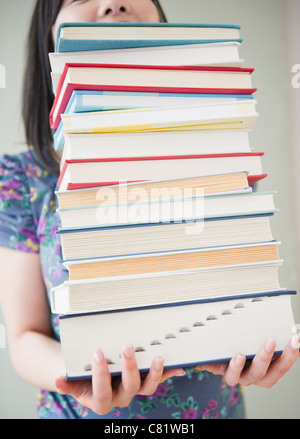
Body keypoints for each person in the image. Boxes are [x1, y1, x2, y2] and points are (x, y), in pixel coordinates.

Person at [0, 0, 299, 420]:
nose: (112, 2)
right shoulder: (22, 179)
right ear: (48, 34)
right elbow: (25, 335)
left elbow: (238, 281)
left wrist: (258, 341)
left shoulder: (220, 151)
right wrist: (81, 378)